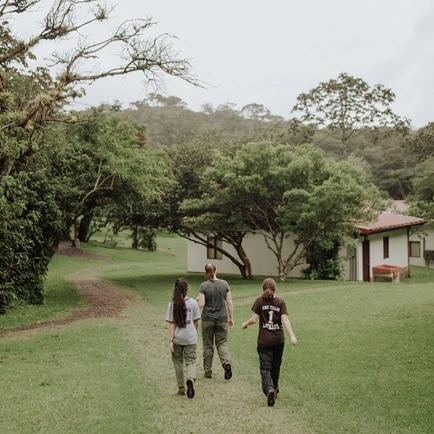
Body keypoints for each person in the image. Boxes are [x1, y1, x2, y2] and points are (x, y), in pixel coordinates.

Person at [242, 277, 297, 407]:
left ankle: (269, 389)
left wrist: (245, 324)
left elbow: (254, 319)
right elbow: (285, 320)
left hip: (264, 341)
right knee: (276, 366)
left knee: (265, 367)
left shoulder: (259, 301)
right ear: (275, 288)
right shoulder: (280, 302)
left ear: (263, 288)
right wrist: (292, 336)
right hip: (279, 340)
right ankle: (275, 388)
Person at [197, 263, 234, 380]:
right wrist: (231, 318)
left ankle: (208, 371)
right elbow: (229, 302)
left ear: (206, 273)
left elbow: (201, 305)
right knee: (222, 343)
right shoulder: (225, 284)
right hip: (222, 319)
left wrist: (197, 299)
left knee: (208, 345)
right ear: (216, 270)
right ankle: (226, 363)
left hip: (207, 319)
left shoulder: (203, 286)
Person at [165, 278, 201, 398]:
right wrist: (193, 332)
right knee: (191, 361)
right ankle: (190, 378)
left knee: (178, 362)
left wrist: (170, 340)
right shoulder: (193, 303)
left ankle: (181, 388)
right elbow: (196, 321)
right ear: (186, 289)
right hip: (190, 337)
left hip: (177, 338)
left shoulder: (172, 304)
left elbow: (171, 323)